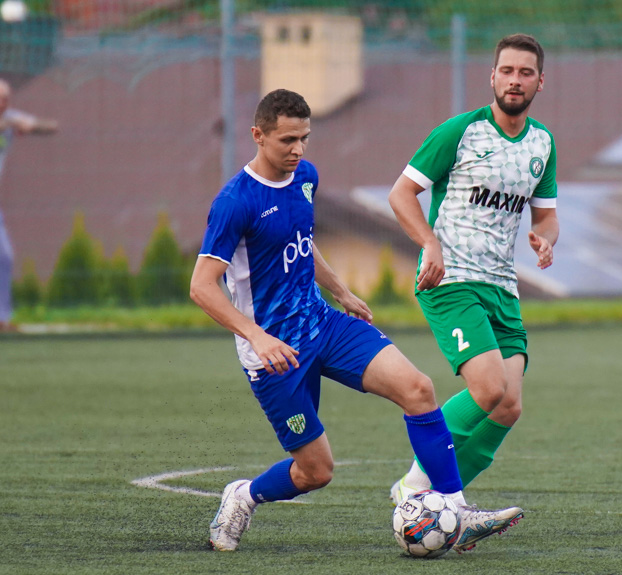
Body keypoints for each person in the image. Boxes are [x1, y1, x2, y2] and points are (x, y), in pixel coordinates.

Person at [190, 89, 523, 553]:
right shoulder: (234, 202)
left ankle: (453, 506)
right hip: (274, 355)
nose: (298, 150)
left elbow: (303, 243)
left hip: (325, 325)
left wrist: (340, 290)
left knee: (419, 389)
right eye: (287, 140)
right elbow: (202, 286)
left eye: (305, 138)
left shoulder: (305, 176)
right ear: (257, 136)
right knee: (315, 473)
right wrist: (257, 336)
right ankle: (243, 495)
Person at [387, 34, 559, 503]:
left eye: (525, 73)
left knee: (508, 408)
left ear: (540, 82)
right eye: (507, 71)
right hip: (450, 279)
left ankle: (442, 506)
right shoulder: (460, 131)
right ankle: (418, 489)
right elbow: (400, 194)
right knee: (488, 389)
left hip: (502, 287)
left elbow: (546, 214)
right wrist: (429, 243)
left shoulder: (542, 144)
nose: (515, 80)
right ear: (493, 76)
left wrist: (546, 237)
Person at [0, 78, 58, 332]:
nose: (4, 102)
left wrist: (28, 125)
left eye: (6, 98)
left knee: (4, 256)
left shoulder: (9, 117)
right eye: (0, 98)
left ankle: (2, 319)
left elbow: (51, 127)